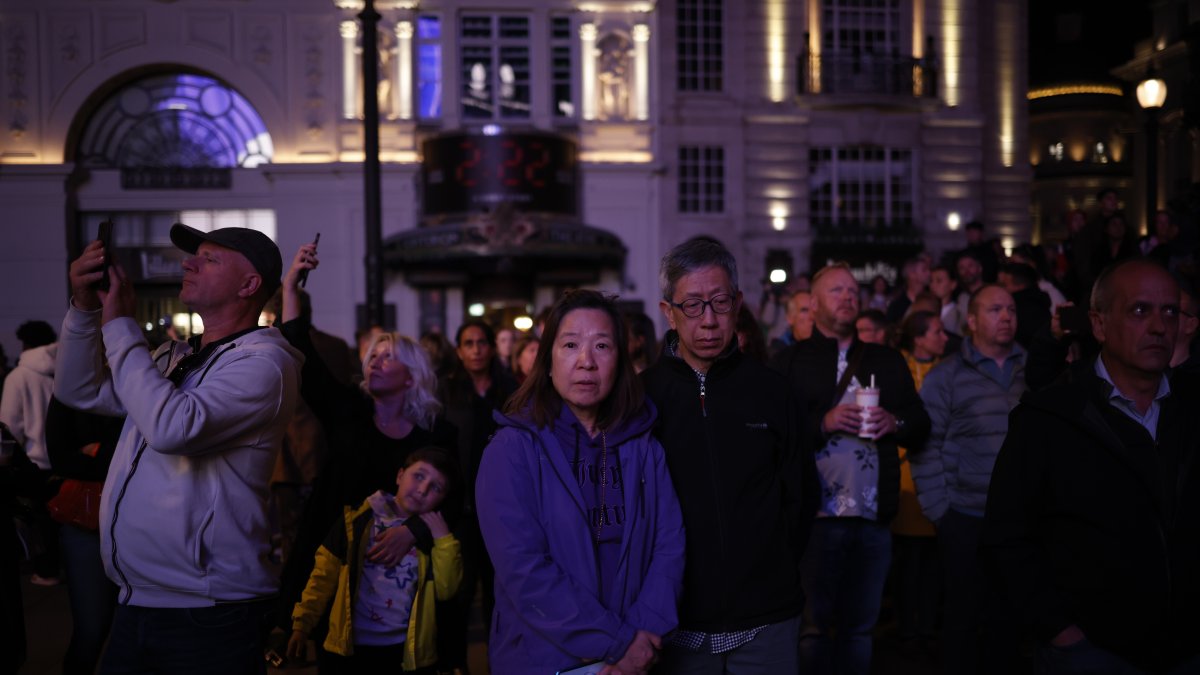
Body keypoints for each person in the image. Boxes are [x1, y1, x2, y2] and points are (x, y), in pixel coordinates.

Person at [55, 224, 303, 672]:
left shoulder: (266, 364)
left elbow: (172, 427)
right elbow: (80, 389)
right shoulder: (175, 357)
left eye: (210, 259)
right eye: (195, 256)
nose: (188, 263)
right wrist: (86, 308)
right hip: (139, 599)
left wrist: (121, 325)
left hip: (209, 608)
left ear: (249, 285)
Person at [983, 259, 1200, 673]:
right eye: (1140, 310)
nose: (1159, 326)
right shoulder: (1048, 417)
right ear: (1098, 325)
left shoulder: (1194, 405)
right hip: (1092, 654)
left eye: (1170, 311)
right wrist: (1062, 635)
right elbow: (1007, 537)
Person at [477, 289, 685, 675]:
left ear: (620, 360)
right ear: (548, 359)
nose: (586, 361)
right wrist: (617, 644)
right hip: (544, 659)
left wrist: (640, 639)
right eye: (571, 344)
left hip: (635, 657)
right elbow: (524, 569)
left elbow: (668, 546)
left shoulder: (643, 446)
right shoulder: (512, 449)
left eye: (602, 346)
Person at [276, 243, 456, 672]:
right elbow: (300, 352)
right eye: (372, 354)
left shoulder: (436, 431)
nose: (374, 361)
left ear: (411, 374)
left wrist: (412, 530)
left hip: (405, 586)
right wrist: (290, 286)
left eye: (387, 355)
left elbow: (452, 497)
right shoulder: (347, 411)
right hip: (341, 573)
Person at [646, 236, 810, 673]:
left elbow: (800, 495)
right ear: (668, 312)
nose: (708, 320)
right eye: (693, 305)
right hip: (674, 619)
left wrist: (774, 568)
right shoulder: (643, 399)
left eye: (719, 302)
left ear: (737, 304)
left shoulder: (772, 391)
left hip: (767, 616)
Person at [771, 262, 929, 675]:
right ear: (814, 302)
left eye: (851, 291)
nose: (847, 297)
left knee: (860, 630)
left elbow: (921, 423)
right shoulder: (788, 362)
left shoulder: (887, 360)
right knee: (813, 629)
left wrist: (895, 422)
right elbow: (771, 436)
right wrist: (820, 423)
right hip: (816, 516)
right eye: (836, 291)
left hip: (874, 518)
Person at [910, 285, 1027, 674]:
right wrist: (941, 513)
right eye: (995, 309)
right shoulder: (947, 376)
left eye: (1011, 308)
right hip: (964, 516)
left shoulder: (1032, 370)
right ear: (972, 321)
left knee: (1011, 621)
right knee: (961, 620)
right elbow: (927, 446)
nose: (1007, 316)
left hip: (1020, 520)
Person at [287, 448, 463, 673]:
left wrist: (444, 539)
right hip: (350, 649)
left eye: (435, 487)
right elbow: (322, 577)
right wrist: (302, 624)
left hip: (404, 653)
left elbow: (447, 589)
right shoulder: (355, 523)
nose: (422, 489)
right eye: (418, 476)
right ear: (400, 476)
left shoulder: (432, 537)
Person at [438, 319, 517, 672]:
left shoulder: (508, 388)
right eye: (468, 343)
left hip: (502, 510)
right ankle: (457, 665)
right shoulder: (447, 390)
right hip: (461, 509)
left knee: (500, 595)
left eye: (481, 342)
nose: (475, 350)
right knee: (460, 592)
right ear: (458, 350)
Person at [44, 396, 124, 675]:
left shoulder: (145, 375)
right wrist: (117, 454)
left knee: (135, 633)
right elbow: (62, 458)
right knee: (91, 631)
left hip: (142, 523)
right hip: (86, 523)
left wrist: (97, 450)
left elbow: (156, 446)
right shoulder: (67, 390)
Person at [890, 310, 948, 659]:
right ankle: (906, 627)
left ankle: (926, 626)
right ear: (919, 337)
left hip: (937, 473)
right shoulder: (899, 367)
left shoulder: (948, 369)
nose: (944, 337)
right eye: (937, 331)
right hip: (904, 476)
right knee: (906, 560)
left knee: (932, 561)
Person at [0, 320, 59, 586]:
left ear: (24, 343)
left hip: (34, 460)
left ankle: (46, 571)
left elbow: (9, 427)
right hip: (64, 459)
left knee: (39, 521)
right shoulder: (63, 371)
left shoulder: (18, 377)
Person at [999, 262, 1051, 349]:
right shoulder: (1040, 302)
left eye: (1005, 285)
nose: (1001, 289)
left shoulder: (1017, 311)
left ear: (1020, 286)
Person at [886, 256, 932, 324]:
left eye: (929, 269)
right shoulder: (897, 306)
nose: (929, 273)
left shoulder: (932, 300)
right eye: (924, 270)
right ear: (912, 275)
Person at [769, 290, 814, 357]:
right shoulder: (778, 353)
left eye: (814, 310)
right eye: (804, 310)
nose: (812, 316)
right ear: (790, 318)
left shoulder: (828, 348)